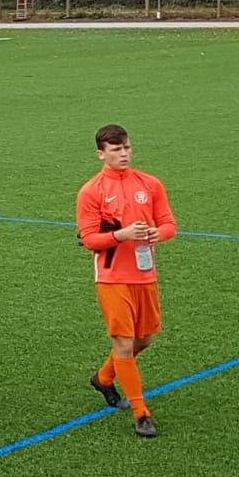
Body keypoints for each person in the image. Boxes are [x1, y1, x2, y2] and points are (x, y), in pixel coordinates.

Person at [77, 124, 176, 438]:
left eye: (127, 148)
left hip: (144, 275)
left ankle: (103, 378)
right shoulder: (91, 191)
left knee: (143, 340)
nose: (124, 154)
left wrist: (157, 234)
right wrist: (123, 235)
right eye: (116, 149)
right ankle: (141, 413)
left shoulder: (150, 184)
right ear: (101, 154)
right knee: (122, 342)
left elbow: (169, 224)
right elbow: (89, 239)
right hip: (112, 278)